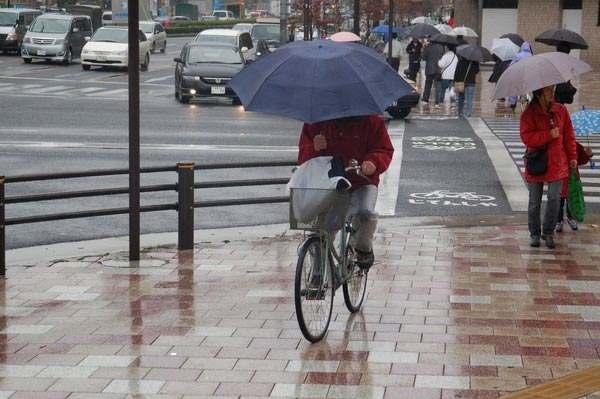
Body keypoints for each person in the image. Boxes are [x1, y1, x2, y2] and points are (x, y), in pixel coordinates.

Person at [298, 115, 394, 268]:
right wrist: (313, 148)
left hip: (362, 181)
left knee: (365, 213)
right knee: (323, 231)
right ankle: (317, 274)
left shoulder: (371, 120)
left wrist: (373, 162)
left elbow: (383, 149)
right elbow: (303, 157)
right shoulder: (316, 121)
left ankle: (363, 250)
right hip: (330, 183)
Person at [520, 85, 577, 249]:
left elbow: (569, 135)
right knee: (534, 202)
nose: (552, 93)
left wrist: (572, 156)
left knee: (554, 199)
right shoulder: (529, 113)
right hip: (537, 162)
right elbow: (527, 138)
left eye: (552, 90)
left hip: (557, 162)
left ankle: (548, 232)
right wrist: (547, 135)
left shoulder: (560, 110)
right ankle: (535, 233)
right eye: (548, 91)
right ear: (539, 94)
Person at [556, 142, 593, 232]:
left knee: (572, 199)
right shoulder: (556, 143)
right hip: (559, 177)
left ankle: (570, 218)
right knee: (559, 201)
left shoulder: (574, 145)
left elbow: (581, 159)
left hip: (572, 177)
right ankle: (559, 221)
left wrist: (588, 154)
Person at [508, 42, 533, 110]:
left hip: (519, 75)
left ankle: (513, 103)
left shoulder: (518, 55)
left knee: (514, 88)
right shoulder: (531, 55)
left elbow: (512, 65)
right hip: (528, 75)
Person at [421, 39, 444, 106]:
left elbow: (423, 58)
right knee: (438, 86)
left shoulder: (427, 47)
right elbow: (442, 57)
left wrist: (424, 49)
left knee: (428, 85)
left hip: (429, 69)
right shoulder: (441, 47)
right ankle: (437, 101)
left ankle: (425, 99)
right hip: (438, 69)